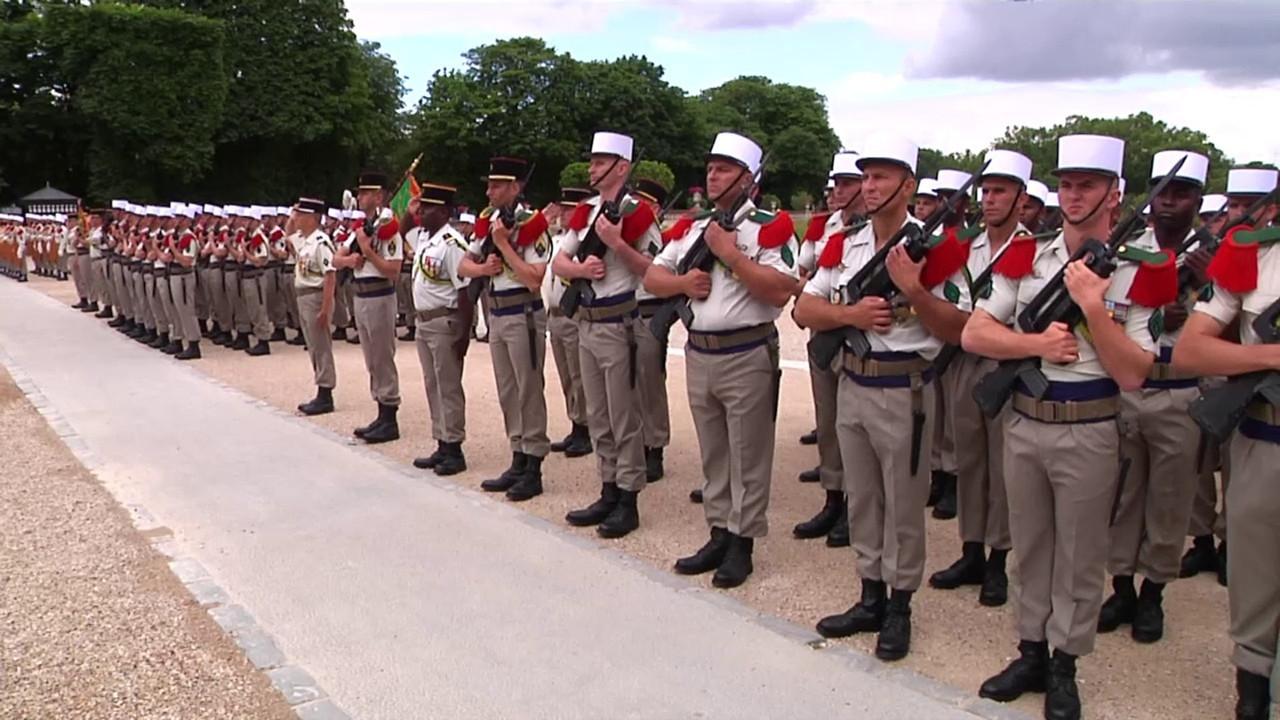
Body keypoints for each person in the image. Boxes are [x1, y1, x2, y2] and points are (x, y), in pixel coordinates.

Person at [964, 134, 1162, 720]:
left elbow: (1134, 372)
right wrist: (1036, 343)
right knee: (1030, 547)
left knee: (1079, 555)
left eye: (1089, 186)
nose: (1075, 196)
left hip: (1090, 425)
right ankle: (1030, 649)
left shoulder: (1143, 266)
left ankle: (1064, 664)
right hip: (1025, 422)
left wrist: (1093, 307)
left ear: (1114, 194)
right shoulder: (1029, 254)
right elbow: (976, 333)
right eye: (1068, 184)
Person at [797, 133, 969, 661]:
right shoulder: (845, 243)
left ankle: (900, 605)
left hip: (904, 389)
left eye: (882, 178)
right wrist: (850, 316)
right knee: (864, 497)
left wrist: (913, 290)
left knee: (903, 506)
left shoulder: (936, 249)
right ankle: (869, 593)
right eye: (865, 177)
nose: (870, 187)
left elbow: (960, 327)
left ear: (909, 185)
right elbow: (805, 309)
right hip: (853, 382)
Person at [645, 131, 797, 588]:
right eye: (710, 167)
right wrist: (682, 286)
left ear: (749, 179)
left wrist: (731, 255)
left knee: (749, 453)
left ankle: (743, 542)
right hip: (700, 353)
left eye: (725, 169)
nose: (713, 175)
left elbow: (779, 289)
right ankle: (718, 530)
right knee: (713, 452)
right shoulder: (695, 227)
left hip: (746, 351)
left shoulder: (769, 227)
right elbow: (654, 275)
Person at [1170, 170, 1279, 720]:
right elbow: (1191, 351)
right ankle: (1253, 692)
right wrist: (1270, 357)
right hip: (1268, 437)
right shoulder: (1254, 257)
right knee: (1257, 580)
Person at [929, 150, 1033, 608]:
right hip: (964, 359)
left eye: (1001, 192)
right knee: (967, 458)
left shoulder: (1036, 247)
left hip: (1010, 365)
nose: (990, 200)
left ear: (1021, 198)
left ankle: (998, 558)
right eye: (986, 191)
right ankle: (971, 548)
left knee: (1004, 466)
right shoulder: (961, 243)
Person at [555, 131, 661, 538]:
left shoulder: (637, 213)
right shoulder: (585, 211)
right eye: (593, 161)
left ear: (622, 166)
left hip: (619, 322)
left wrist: (618, 244)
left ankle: (629, 496)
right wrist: (582, 270)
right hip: (587, 320)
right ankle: (607, 487)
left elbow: (653, 270)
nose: (592, 168)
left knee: (623, 415)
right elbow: (560, 264)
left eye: (601, 162)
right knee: (598, 413)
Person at [1180, 168, 1278, 587]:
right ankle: (1212, 539)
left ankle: (1226, 541)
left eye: (1246, 205)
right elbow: (1195, 345)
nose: (1237, 213)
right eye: (1232, 205)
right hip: (1244, 396)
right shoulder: (1247, 256)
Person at [461, 157, 552, 499]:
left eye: (497, 185)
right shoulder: (489, 223)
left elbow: (533, 278)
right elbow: (464, 266)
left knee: (529, 389)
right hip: (497, 313)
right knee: (507, 391)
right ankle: (518, 454)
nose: (489, 191)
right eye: (489, 185)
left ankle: (534, 464)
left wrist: (502, 246)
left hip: (523, 313)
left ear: (515, 188)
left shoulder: (532, 225)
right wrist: (485, 267)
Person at [793, 150, 865, 548]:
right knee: (829, 420)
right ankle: (833, 496)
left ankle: (857, 506)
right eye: (836, 183)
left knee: (856, 427)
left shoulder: (878, 231)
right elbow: (803, 274)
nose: (840, 190)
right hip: (825, 332)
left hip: (860, 339)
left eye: (849, 183)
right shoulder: (825, 227)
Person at [407, 183, 474, 476]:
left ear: (445, 212)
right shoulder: (425, 237)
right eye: (422, 206)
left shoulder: (452, 243)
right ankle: (441, 441)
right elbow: (401, 232)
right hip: (424, 320)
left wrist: (463, 333)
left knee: (448, 385)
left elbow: (465, 291)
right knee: (432, 383)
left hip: (445, 320)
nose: (423, 211)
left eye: (430, 207)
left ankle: (454, 448)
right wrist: (410, 213)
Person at [335, 171, 405, 444]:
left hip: (379, 295)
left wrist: (368, 251)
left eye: (365, 193)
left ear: (378, 196)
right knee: (371, 358)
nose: (360, 197)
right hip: (361, 296)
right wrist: (352, 258)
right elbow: (337, 258)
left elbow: (393, 270)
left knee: (382, 356)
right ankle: (380, 410)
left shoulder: (389, 230)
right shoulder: (365, 227)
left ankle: (390, 416)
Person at [926, 169, 973, 520]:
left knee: (956, 416)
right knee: (934, 412)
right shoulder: (929, 236)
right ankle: (937, 474)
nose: (944, 203)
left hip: (961, 332)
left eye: (951, 197)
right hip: (930, 332)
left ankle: (955, 479)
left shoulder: (972, 238)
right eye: (941, 196)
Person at [543, 187, 595, 459]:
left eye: (567, 209)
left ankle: (585, 428)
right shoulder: (562, 240)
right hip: (555, 315)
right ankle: (575, 422)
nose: (562, 214)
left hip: (574, 315)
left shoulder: (585, 242)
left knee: (579, 375)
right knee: (566, 376)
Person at [631, 176, 675, 481]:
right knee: (631, 383)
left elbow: (648, 268)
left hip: (648, 310)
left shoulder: (648, 230)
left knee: (650, 382)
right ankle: (638, 441)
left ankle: (655, 445)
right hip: (627, 310)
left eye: (643, 201)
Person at [291, 197, 340, 416]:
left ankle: (326, 393)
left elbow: (330, 275)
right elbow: (288, 235)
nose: (297, 218)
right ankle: (321, 388)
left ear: (312, 217)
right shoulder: (306, 240)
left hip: (316, 296)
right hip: (304, 296)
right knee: (313, 345)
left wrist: (325, 308)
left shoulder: (321, 242)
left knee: (321, 346)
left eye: (301, 214)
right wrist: (292, 217)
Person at [168, 204, 204, 360]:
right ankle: (182, 340)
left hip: (184, 276)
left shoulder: (188, 238)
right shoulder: (179, 236)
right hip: (176, 275)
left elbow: (187, 261)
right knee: (178, 310)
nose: (176, 221)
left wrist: (173, 249)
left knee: (187, 310)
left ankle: (193, 343)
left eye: (180, 218)